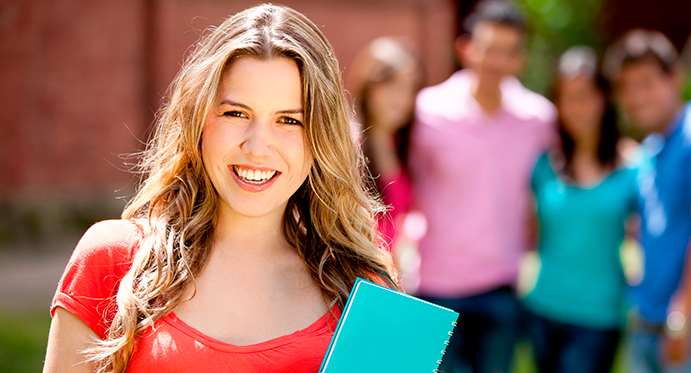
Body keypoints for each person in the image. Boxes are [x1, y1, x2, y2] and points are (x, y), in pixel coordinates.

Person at [43, 4, 397, 372]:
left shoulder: (362, 290)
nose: (258, 146)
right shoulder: (115, 259)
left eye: (289, 120)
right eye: (236, 113)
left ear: (321, 139)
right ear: (199, 119)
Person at [409, 1, 556, 372]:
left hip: (502, 288)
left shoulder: (538, 118)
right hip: (436, 286)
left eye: (509, 53)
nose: (497, 62)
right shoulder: (428, 111)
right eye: (490, 48)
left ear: (521, 60)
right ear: (466, 48)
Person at [604, 29, 691, 373]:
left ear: (675, 79)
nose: (636, 96)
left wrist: (682, 315)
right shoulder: (653, 150)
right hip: (647, 323)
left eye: (646, 82)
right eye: (626, 86)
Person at [521, 46, 636, 373]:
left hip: (598, 317)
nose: (576, 108)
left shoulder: (632, 166)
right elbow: (529, 232)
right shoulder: (544, 164)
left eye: (585, 96)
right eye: (567, 97)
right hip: (543, 309)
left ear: (604, 99)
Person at [346, 37, 421, 252]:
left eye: (411, 88)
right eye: (392, 85)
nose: (403, 98)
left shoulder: (399, 144)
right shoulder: (348, 146)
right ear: (368, 85)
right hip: (350, 277)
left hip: (384, 277)